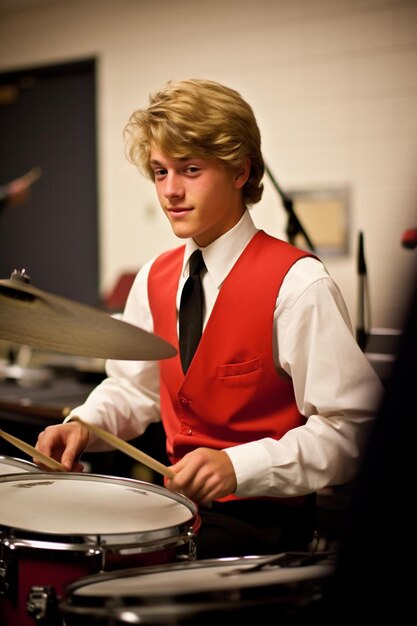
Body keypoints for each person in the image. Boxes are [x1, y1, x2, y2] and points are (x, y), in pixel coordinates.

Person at [34, 78, 383, 560]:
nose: (171, 191)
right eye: (159, 172)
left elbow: (354, 429)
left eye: (190, 169)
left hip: (267, 535)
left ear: (240, 171)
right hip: (178, 517)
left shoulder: (298, 284)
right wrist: (87, 424)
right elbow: (135, 389)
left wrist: (240, 465)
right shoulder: (153, 278)